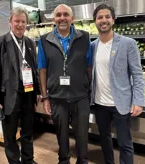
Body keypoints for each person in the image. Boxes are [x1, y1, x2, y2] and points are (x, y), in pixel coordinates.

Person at [90, 3, 145, 164]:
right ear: (95, 21)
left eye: (107, 16)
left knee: (125, 143)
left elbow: (137, 74)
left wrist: (138, 100)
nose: (103, 20)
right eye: (100, 17)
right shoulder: (92, 46)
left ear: (113, 20)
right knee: (105, 141)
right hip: (100, 104)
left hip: (121, 103)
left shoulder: (128, 43)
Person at [37, 4, 92, 164]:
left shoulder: (84, 37)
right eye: (58, 15)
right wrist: (45, 97)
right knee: (61, 135)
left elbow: (88, 65)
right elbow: (42, 69)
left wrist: (90, 89)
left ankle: (82, 161)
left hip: (80, 96)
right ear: (54, 19)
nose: (62, 18)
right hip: (57, 97)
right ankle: (64, 161)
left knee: (82, 135)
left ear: (72, 18)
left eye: (66, 14)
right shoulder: (44, 40)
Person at [0, 7, 40, 164]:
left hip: (28, 95)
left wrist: (38, 92)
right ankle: (14, 161)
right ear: (10, 22)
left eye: (23, 22)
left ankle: (28, 160)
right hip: (8, 97)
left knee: (28, 131)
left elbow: (34, 70)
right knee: (9, 135)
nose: (20, 25)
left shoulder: (30, 43)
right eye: (17, 21)